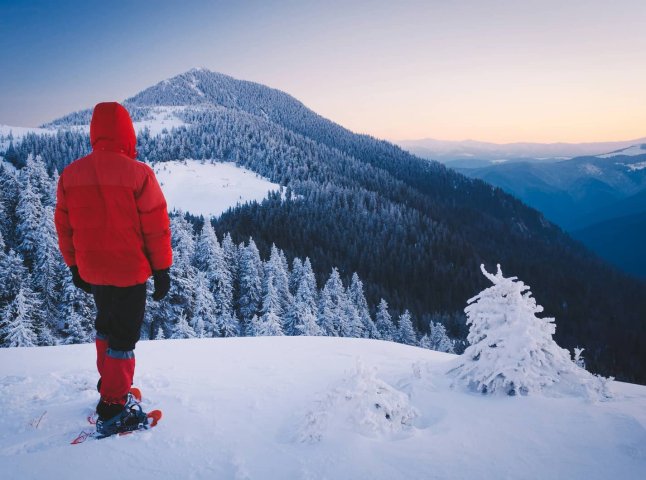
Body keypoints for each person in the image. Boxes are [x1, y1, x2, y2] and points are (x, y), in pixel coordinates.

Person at [55, 101, 172, 433]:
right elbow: (156, 226)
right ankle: (113, 408)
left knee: (106, 327)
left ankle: (109, 389)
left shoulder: (71, 174)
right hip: (129, 273)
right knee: (124, 337)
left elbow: (64, 227)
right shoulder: (138, 174)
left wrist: (75, 266)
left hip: (95, 273)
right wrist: (162, 269)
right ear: (127, 134)